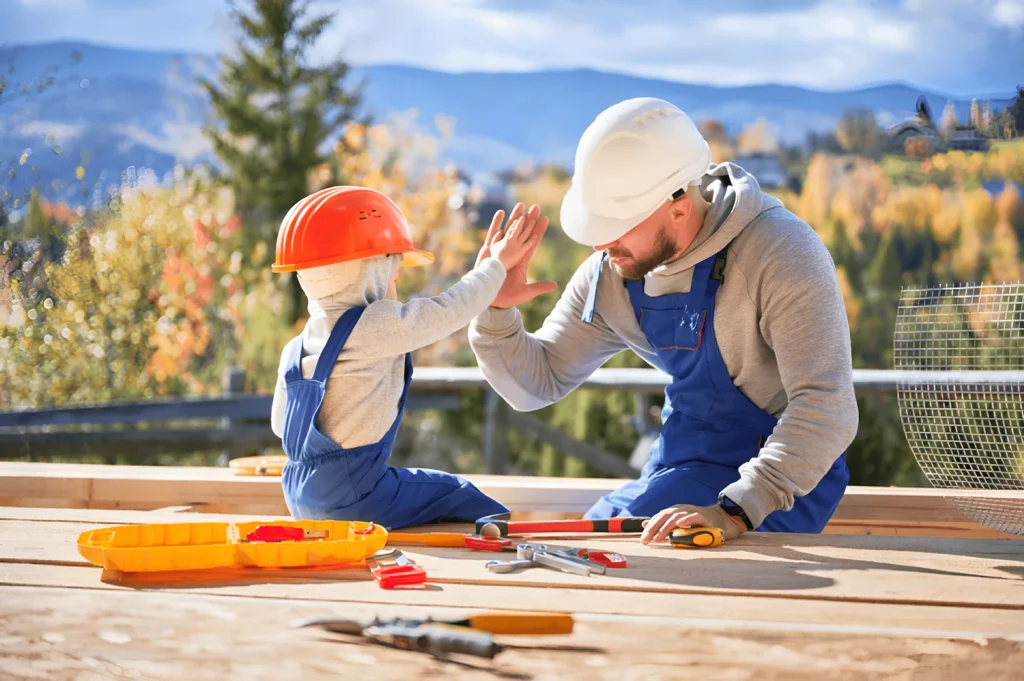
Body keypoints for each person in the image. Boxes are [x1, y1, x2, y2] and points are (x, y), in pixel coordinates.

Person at [469, 98, 856, 544]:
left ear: (678, 205)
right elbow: (537, 381)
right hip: (680, 471)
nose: (601, 243)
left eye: (618, 223)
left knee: (625, 566)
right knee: (585, 551)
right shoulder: (616, 266)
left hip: (780, 487)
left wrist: (736, 510)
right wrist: (495, 310)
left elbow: (828, 408)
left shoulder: (780, 253)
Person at [270, 185, 541, 529]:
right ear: (371, 272)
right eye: (393, 274)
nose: (395, 286)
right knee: (460, 494)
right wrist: (496, 267)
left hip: (298, 497)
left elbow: (282, 426)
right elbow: (451, 309)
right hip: (358, 497)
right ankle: (496, 544)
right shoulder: (376, 326)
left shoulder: (296, 347)